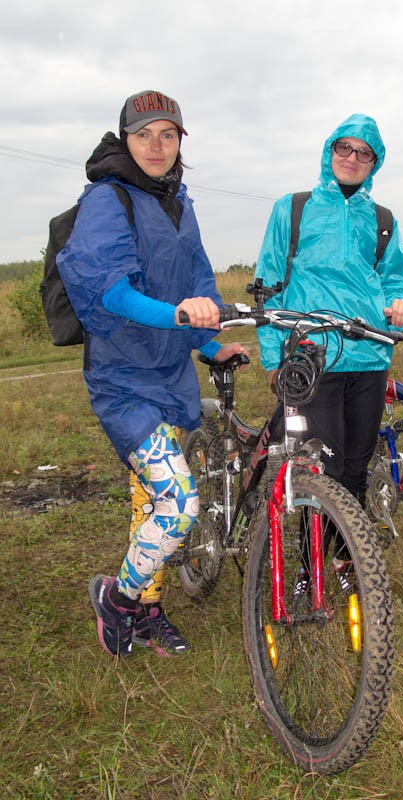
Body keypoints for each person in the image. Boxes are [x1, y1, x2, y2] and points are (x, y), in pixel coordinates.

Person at [57, 89, 248, 658]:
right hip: (122, 382)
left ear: (180, 142)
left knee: (151, 502)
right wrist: (177, 315)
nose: (157, 145)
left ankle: (147, 611)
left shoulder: (178, 203)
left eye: (169, 134)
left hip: (169, 375)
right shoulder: (106, 200)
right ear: (126, 139)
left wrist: (207, 342)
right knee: (180, 502)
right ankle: (117, 599)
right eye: (144, 134)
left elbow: (199, 282)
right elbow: (108, 291)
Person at [254, 113, 403, 512]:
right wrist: (275, 358)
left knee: (356, 468)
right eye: (345, 147)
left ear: (374, 163)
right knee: (324, 467)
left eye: (365, 153)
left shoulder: (382, 220)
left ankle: (346, 559)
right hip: (313, 355)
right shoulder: (292, 209)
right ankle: (311, 569)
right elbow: (267, 287)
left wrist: (401, 306)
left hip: (370, 356)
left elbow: (394, 281)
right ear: (330, 151)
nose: (353, 157)